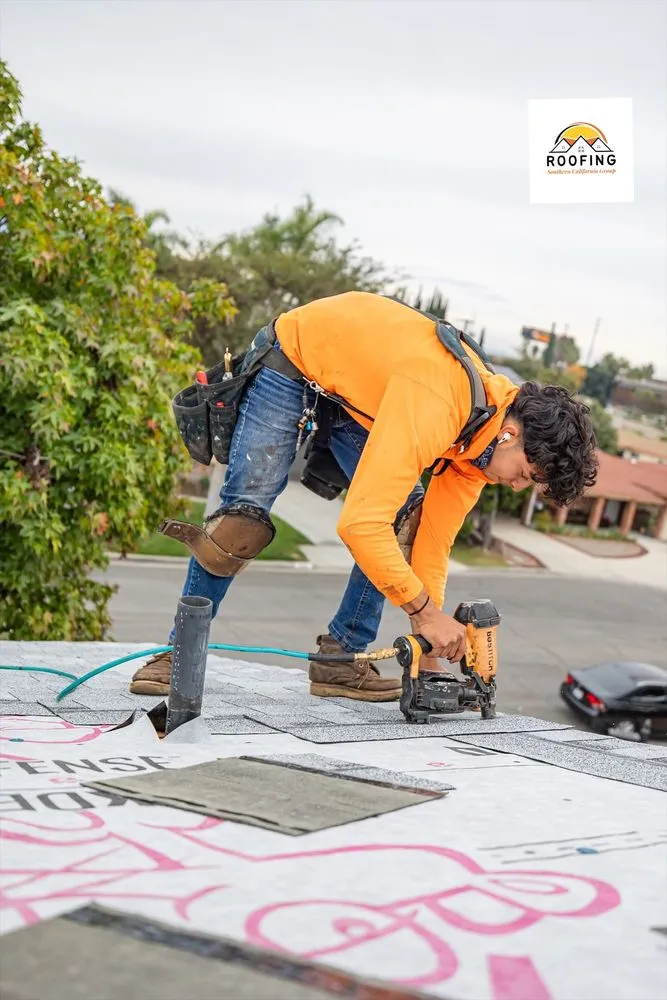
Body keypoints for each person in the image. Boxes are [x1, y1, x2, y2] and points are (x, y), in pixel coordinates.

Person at [129, 292, 598, 701]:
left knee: (403, 522)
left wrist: (430, 650)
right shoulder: (441, 401)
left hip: (361, 392)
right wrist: (424, 612)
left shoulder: (478, 444)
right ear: (512, 435)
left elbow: (431, 544)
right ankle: (176, 656)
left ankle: (340, 657)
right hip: (296, 358)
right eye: (525, 474)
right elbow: (357, 525)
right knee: (241, 524)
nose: (518, 486)